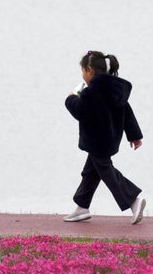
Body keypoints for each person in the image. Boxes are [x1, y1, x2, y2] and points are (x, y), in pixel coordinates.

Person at [62, 50, 146, 224]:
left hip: (96, 140)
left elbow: (81, 111)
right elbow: (127, 112)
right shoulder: (115, 89)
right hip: (110, 138)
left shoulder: (92, 91)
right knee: (91, 172)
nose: (83, 76)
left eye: (83, 72)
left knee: (106, 171)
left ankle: (133, 201)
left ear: (90, 70)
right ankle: (81, 207)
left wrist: (70, 99)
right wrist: (134, 135)